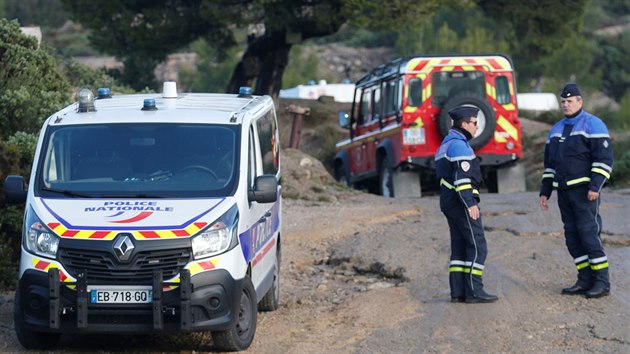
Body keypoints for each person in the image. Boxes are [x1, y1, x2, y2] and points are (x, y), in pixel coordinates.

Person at [539, 83, 614, 298]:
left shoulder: (593, 124)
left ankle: (601, 282)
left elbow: (604, 159)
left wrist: (595, 186)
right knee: (572, 237)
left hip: (585, 192)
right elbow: (550, 165)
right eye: (563, 101)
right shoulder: (555, 130)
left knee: (589, 235)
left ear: (580, 102)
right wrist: (545, 191)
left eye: (570, 101)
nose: (566, 104)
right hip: (564, 192)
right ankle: (584, 279)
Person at [436, 106, 498, 303]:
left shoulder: (446, 144)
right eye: (474, 122)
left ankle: (459, 292)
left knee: (460, 246)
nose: (477, 126)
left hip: (448, 201)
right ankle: (474, 292)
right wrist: (470, 204)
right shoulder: (460, 146)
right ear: (464, 124)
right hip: (460, 202)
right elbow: (461, 179)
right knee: (477, 245)